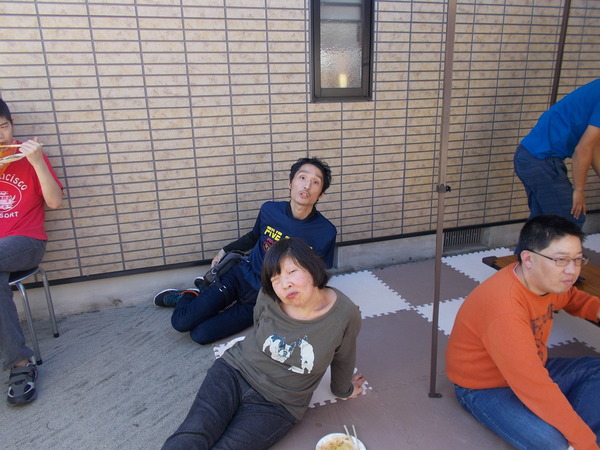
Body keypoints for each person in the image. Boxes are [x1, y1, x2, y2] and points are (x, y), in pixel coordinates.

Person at [162, 237, 365, 449]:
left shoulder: (345, 314)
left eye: (292, 271)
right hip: (234, 372)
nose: (285, 284)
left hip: (278, 404)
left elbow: (344, 357)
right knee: (192, 435)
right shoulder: (268, 295)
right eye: (275, 278)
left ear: (312, 268)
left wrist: (343, 390)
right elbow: (258, 323)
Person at [446, 215, 600, 450]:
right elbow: (532, 384)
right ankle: (575, 432)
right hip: (485, 388)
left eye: (578, 259)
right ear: (528, 258)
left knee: (594, 374)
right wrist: (584, 442)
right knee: (556, 443)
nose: (572, 271)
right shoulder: (505, 308)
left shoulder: (548, 282)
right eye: (561, 260)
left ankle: (574, 429)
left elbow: (572, 298)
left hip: (532, 369)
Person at [154, 157, 337, 345]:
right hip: (240, 276)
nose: (307, 186)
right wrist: (224, 250)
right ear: (290, 183)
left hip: (266, 298)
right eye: (302, 177)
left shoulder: (325, 232)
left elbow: (317, 277)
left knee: (200, 335)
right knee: (181, 322)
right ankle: (190, 294)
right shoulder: (269, 210)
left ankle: (206, 298)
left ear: (321, 193)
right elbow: (253, 237)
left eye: (315, 182)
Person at [0, 98, 64, 406]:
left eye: (3, 127)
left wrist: (37, 162)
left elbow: (55, 202)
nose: (1, 136)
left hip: (26, 242)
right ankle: (20, 364)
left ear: (11, 125)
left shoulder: (29, 155)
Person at [514, 78, 600, 231]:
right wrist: (579, 190)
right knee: (571, 218)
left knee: (541, 222)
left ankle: (528, 248)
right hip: (541, 160)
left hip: (528, 156)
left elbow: (592, 147)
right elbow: (582, 150)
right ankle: (559, 248)